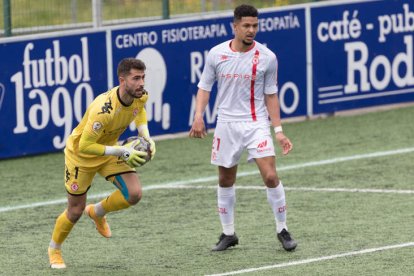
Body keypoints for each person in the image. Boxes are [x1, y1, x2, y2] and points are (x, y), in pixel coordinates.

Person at [189, 4, 297, 252]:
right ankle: (228, 234)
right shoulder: (216, 54)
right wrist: (198, 116)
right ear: (235, 26)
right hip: (226, 124)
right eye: (247, 26)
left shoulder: (267, 57)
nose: (252, 30)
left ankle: (282, 229)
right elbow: (204, 87)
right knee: (225, 179)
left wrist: (278, 130)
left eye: (255, 26)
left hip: (256, 123)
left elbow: (271, 95)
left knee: (270, 175)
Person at [48, 58, 156, 268]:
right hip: (81, 157)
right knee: (75, 210)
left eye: (143, 77)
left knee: (134, 194)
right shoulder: (103, 110)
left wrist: (146, 136)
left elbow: (139, 111)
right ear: (122, 80)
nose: (141, 83)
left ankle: (97, 212)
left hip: (109, 150)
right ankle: (54, 249)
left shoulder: (140, 95)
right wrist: (122, 151)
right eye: (136, 78)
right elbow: (85, 146)